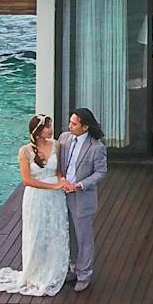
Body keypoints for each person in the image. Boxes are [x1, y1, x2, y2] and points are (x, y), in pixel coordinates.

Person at [0, 114, 69, 297]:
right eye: (47, 127)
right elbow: (27, 180)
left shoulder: (56, 145)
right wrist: (53, 186)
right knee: (36, 233)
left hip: (55, 198)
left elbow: (58, 172)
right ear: (38, 131)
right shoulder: (24, 152)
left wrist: (62, 182)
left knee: (55, 232)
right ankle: (34, 272)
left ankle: (54, 270)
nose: (51, 130)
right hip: (36, 198)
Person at [57, 107, 108, 291]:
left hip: (81, 197)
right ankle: (72, 269)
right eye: (70, 122)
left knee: (83, 237)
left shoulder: (97, 147)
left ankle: (84, 274)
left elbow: (100, 172)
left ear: (85, 127)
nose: (69, 126)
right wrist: (62, 179)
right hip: (63, 194)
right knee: (69, 234)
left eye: (74, 123)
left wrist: (80, 185)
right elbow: (59, 164)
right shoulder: (64, 139)